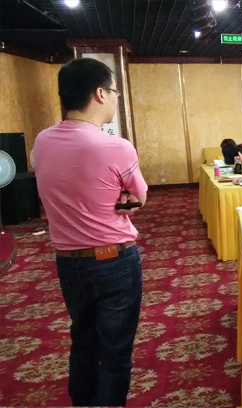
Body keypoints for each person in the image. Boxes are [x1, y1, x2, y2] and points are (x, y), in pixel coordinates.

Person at [31, 58, 147, 406]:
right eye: (114, 91)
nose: (115, 98)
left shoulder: (42, 142)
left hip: (68, 262)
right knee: (114, 351)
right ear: (100, 93)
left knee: (82, 339)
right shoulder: (115, 146)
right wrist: (122, 196)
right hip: (114, 260)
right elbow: (139, 196)